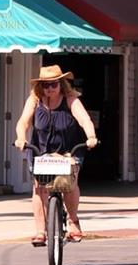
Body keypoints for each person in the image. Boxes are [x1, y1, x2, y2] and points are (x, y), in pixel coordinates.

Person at [14, 64, 98, 245]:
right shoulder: (35, 100)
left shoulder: (71, 100)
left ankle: (73, 221)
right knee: (39, 187)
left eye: (54, 84)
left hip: (67, 150)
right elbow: (23, 122)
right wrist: (21, 138)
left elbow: (85, 119)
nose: (50, 88)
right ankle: (40, 231)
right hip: (41, 151)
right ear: (40, 86)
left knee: (69, 183)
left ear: (61, 84)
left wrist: (91, 137)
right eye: (46, 85)